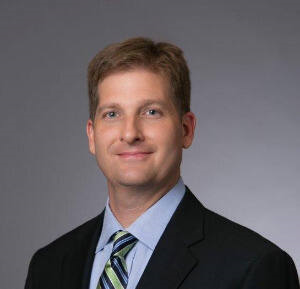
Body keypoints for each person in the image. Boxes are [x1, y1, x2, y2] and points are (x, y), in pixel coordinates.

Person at [24, 37, 299, 289]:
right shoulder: (49, 265)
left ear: (186, 129)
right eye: (112, 114)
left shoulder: (254, 267)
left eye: (151, 112)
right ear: (92, 135)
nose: (130, 133)